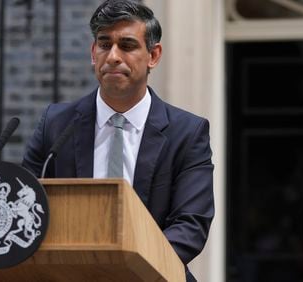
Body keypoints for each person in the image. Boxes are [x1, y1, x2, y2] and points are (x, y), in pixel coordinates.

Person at [22, 0, 214, 280]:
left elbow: (190, 225)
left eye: (127, 45)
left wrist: (125, 271)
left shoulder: (187, 132)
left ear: (154, 55)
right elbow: (26, 207)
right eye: (104, 44)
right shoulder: (57, 124)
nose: (112, 56)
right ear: (92, 52)